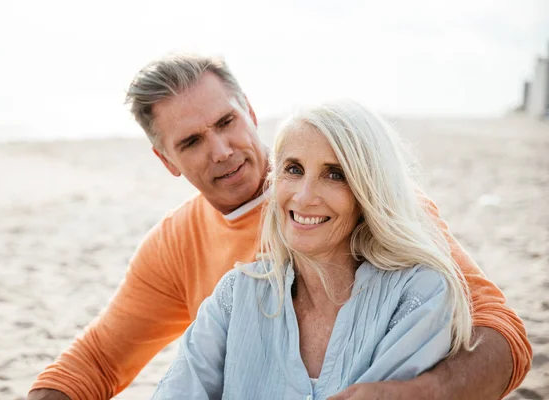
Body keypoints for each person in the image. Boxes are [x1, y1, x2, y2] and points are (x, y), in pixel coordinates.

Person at [28, 54, 531, 400]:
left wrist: (423, 393)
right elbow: (95, 362)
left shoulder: (374, 204)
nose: (221, 151)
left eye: (226, 123)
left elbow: (503, 335)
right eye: (192, 142)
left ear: (249, 111)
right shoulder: (177, 246)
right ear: (167, 161)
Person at [151, 100, 477, 399]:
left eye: (334, 174)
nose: (305, 196)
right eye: (293, 169)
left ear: (368, 190)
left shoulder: (417, 294)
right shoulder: (234, 297)